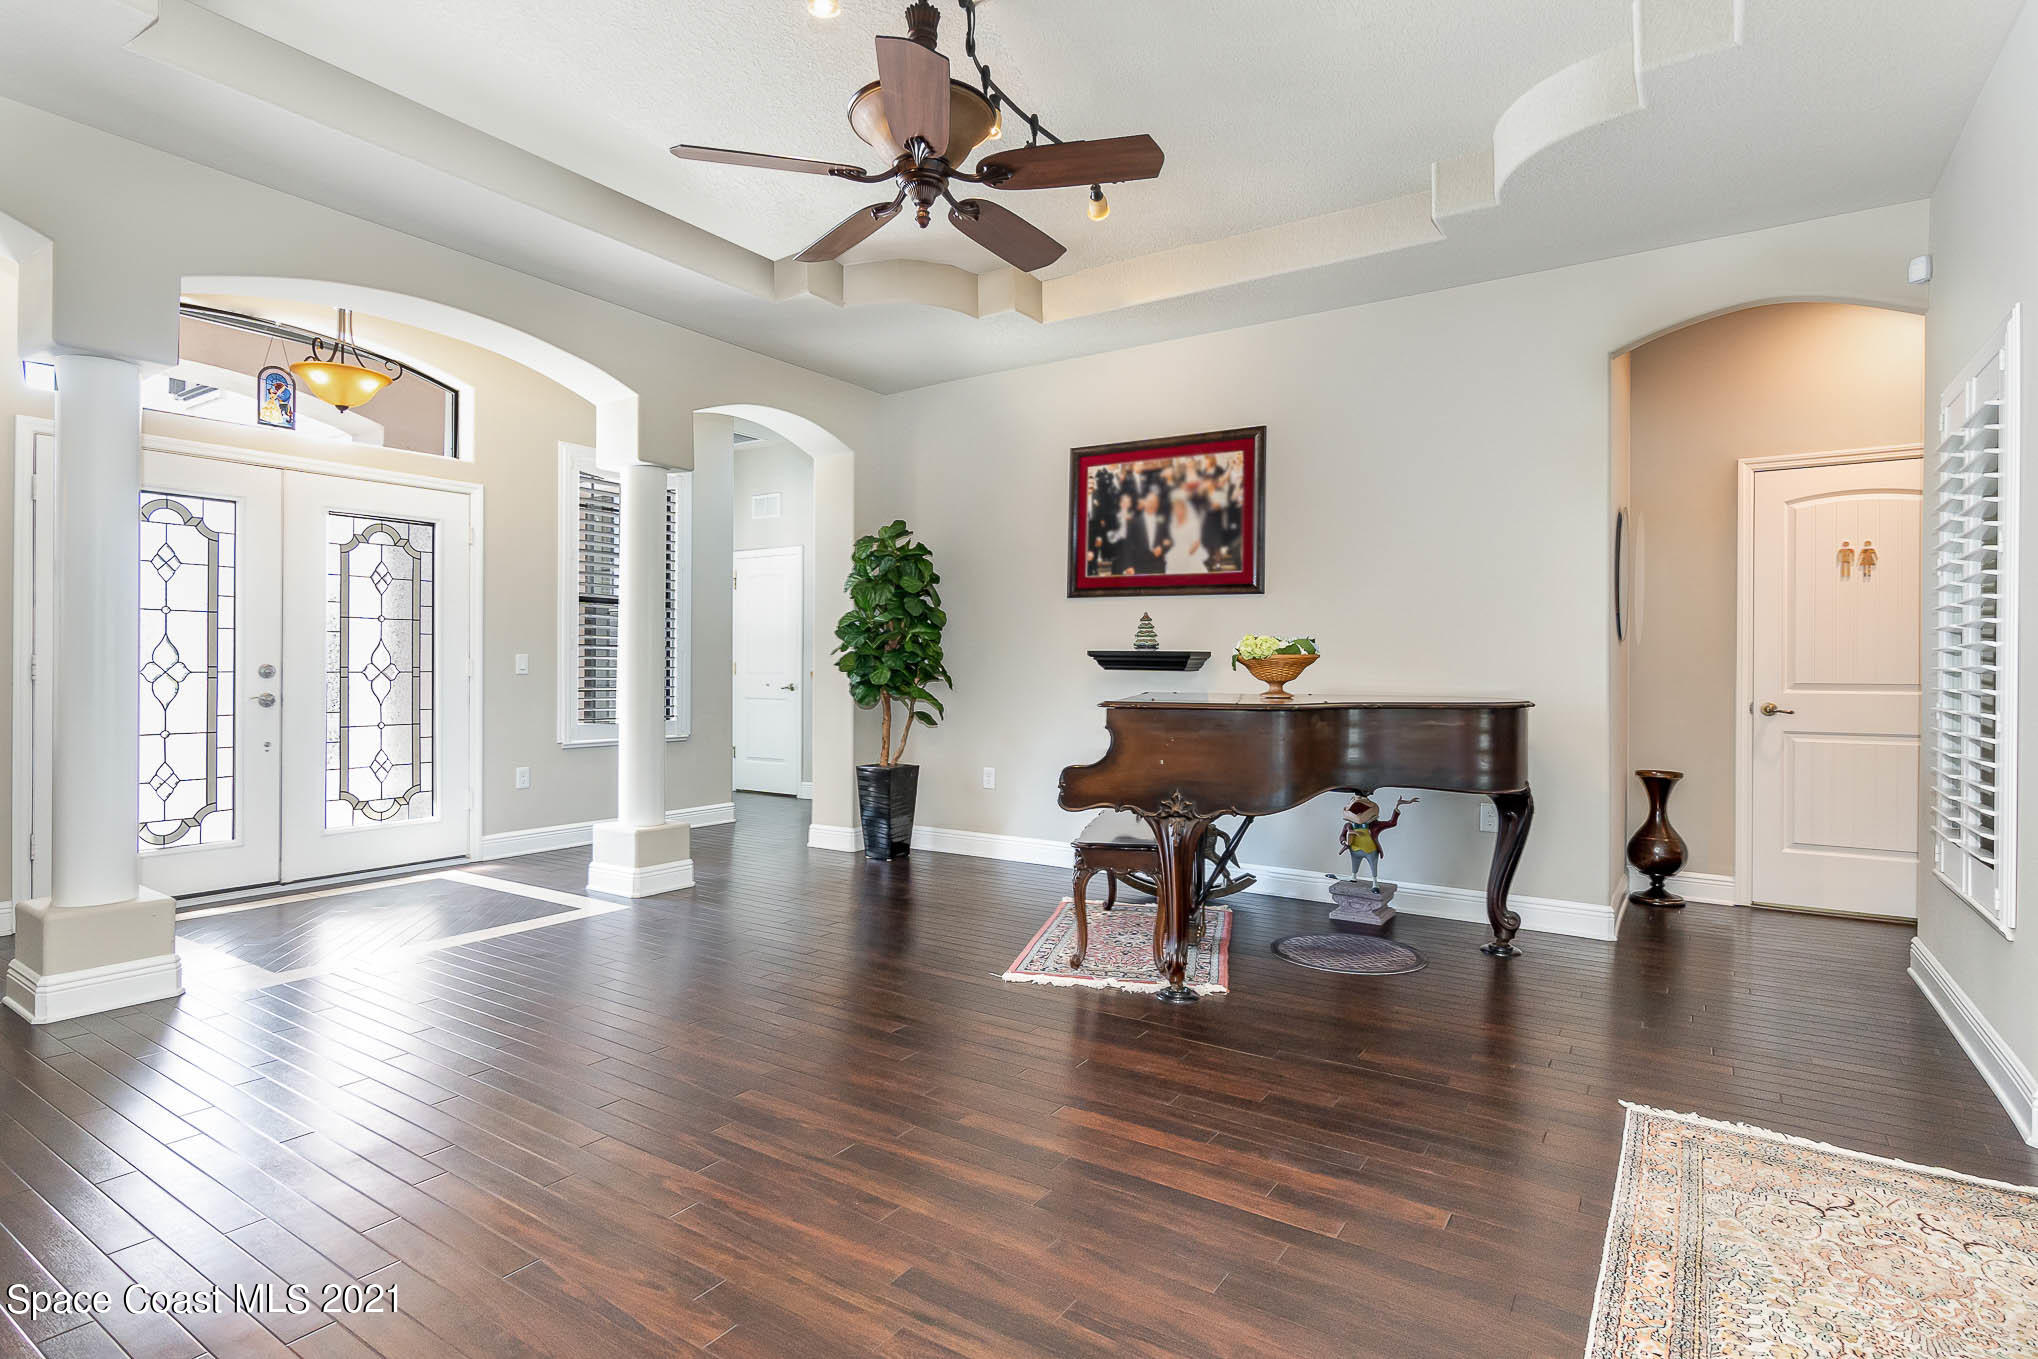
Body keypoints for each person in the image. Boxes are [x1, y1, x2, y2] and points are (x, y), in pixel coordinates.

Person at [1336, 793, 1418, 890]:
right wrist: (1344, 842)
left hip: (1371, 851)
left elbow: (1392, 823)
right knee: (1355, 864)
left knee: (1373, 866)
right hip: (1354, 850)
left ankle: (1375, 883)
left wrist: (1397, 807)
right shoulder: (1348, 825)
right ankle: (1353, 877)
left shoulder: (1375, 825)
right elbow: (1341, 836)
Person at [1127, 487, 1171, 574]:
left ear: (1157, 505)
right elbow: (1129, 544)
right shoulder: (1135, 521)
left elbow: (1169, 540)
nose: (1152, 505)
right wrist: (1129, 565)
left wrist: (1162, 548)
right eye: (1150, 502)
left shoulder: (1162, 521)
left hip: (1158, 565)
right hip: (1139, 565)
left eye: (1155, 502)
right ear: (1145, 503)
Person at [1164, 485, 1206, 574]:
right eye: (1175, 508)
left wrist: (1185, 556)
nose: (1177, 510)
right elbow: (1174, 540)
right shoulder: (1173, 524)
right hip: (1175, 554)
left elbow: (1196, 543)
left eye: (1179, 507)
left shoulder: (1193, 523)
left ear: (1185, 508)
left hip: (1190, 554)